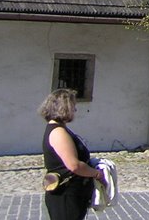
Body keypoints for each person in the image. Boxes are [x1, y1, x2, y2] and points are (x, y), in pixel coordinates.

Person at [40, 88, 106, 220]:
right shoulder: (58, 132)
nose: (75, 110)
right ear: (64, 108)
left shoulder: (59, 129)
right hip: (65, 194)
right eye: (73, 106)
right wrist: (97, 173)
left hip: (71, 193)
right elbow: (74, 165)